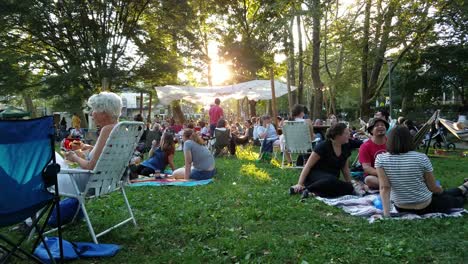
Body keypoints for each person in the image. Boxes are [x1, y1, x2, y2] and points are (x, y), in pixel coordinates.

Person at [376, 126, 467, 217]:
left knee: (445, 195)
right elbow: (433, 188)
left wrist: (386, 214)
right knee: (455, 199)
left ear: (389, 140)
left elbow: (384, 188)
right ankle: (464, 189)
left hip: (401, 207)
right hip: (425, 205)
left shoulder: (381, 159)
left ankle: (464, 187)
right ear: (410, 140)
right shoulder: (421, 157)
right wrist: (441, 191)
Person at [58, 92, 123, 194]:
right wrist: (89, 147)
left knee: (53, 158)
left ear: (104, 113)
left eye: (94, 110)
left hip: (88, 183)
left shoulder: (107, 130)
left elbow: (90, 167)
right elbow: (109, 154)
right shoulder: (123, 129)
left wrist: (74, 157)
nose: (91, 114)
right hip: (108, 181)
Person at [290, 123, 360, 198]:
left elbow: (345, 168)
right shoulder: (323, 146)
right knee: (331, 180)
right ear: (337, 135)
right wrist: (300, 183)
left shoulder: (346, 146)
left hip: (332, 179)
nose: (349, 135)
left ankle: (314, 193)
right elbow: (308, 166)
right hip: (316, 176)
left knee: (349, 188)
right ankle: (307, 189)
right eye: (346, 133)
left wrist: (349, 183)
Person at [358, 118, 389, 189]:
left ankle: (389, 186)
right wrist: (384, 174)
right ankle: (394, 186)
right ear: (371, 130)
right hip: (375, 175)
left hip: (393, 173)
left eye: (382, 125)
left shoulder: (392, 142)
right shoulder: (365, 146)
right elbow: (367, 168)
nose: (380, 127)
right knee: (369, 179)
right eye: (377, 125)